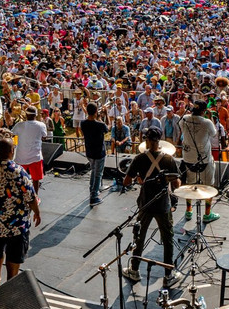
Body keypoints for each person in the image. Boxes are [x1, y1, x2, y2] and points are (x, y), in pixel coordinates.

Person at [0, 138, 41, 291]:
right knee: (14, 255)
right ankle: (10, 284)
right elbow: (31, 198)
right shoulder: (19, 171)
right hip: (16, 226)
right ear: (12, 152)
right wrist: (37, 213)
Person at [123, 128, 183, 286]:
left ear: (147, 140)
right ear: (160, 140)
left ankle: (134, 270)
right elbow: (176, 185)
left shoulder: (139, 158)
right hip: (163, 204)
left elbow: (126, 182)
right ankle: (169, 275)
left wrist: (138, 178)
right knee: (168, 238)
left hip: (145, 203)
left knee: (139, 236)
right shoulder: (169, 160)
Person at [179, 101, 219, 223]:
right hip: (204, 160)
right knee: (208, 186)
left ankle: (188, 210)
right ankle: (207, 214)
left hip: (188, 158)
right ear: (203, 111)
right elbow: (214, 134)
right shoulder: (207, 122)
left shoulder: (184, 119)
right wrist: (210, 117)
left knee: (189, 186)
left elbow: (181, 126)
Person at [11, 106, 48, 195]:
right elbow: (44, 136)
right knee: (36, 179)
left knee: (19, 179)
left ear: (26, 115)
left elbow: (11, 134)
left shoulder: (19, 125)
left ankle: (19, 196)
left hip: (21, 157)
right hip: (36, 157)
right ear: (36, 115)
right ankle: (35, 197)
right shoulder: (41, 125)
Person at [80, 102, 109, 206]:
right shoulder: (100, 124)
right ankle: (94, 197)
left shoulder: (83, 123)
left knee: (93, 171)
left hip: (89, 152)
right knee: (98, 174)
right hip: (99, 153)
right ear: (96, 112)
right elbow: (107, 128)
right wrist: (103, 116)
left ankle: (92, 189)